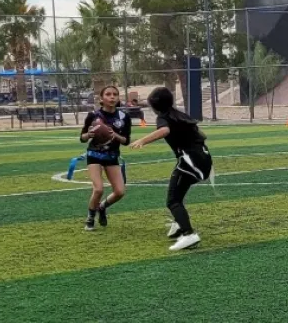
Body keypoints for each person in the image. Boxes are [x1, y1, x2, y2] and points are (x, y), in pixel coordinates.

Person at [129, 87, 212, 252]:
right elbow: (201, 135)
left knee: (172, 200)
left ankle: (189, 234)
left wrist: (143, 140)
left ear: (154, 107)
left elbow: (164, 130)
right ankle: (180, 225)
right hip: (203, 158)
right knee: (178, 196)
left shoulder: (164, 117)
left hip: (190, 161)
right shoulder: (179, 115)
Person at [78, 85, 130, 231]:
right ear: (101, 99)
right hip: (94, 155)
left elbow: (126, 141)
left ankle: (102, 207)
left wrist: (115, 135)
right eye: (108, 94)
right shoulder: (93, 116)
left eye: (115, 94)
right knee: (98, 189)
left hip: (112, 156)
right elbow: (82, 138)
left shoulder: (124, 117)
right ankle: (90, 218)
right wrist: (88, 135)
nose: (112, 97)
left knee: (120, 192)